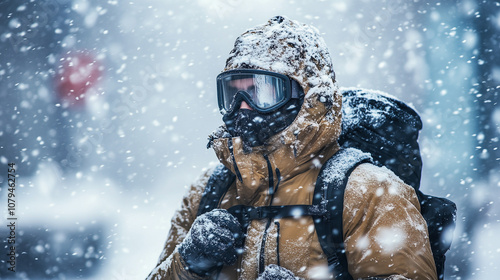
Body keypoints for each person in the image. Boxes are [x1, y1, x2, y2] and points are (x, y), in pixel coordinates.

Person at [147, 16, 437, 280]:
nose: (243, 107)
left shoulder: (369, 192)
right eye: (234, 93)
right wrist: (186, 265)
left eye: (262, 91)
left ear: (308, 98)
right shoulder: (209, 191)